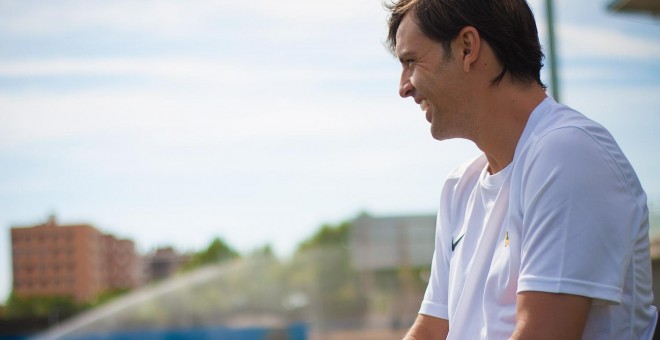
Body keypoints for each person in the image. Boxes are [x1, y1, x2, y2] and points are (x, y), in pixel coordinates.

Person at [386, 0, 657, 339]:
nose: (404, 87)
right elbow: (430, 331)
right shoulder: (460, 186)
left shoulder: (568, 153)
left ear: (467, 47)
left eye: (411, 61)